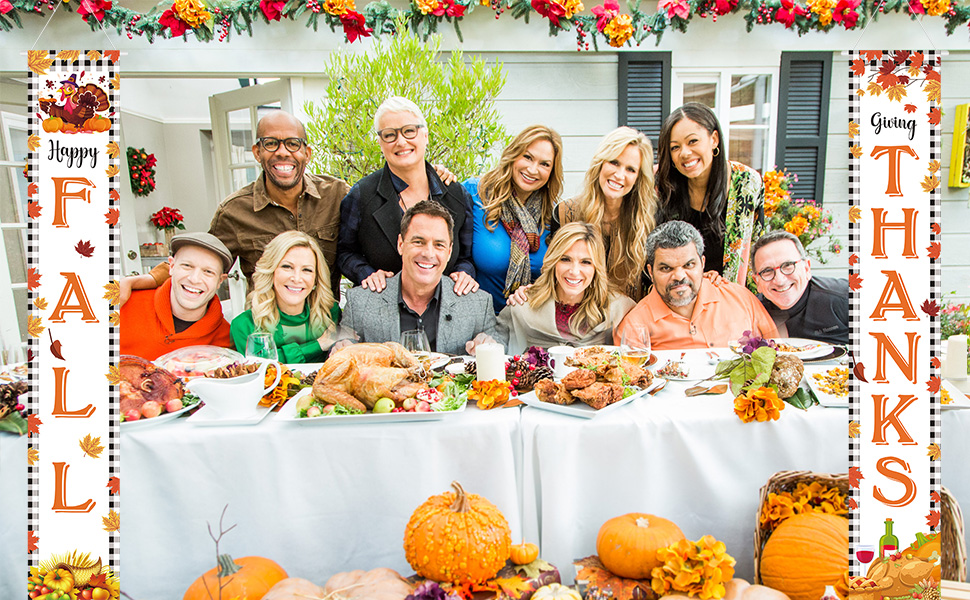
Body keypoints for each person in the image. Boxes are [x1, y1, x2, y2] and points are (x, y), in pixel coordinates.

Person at [120, 109, 348, 301]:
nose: (282, 152)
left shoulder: (337, 195)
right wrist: (143, 280)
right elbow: (200, 262)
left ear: (306, 154)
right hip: (264, 333)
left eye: (292, 144)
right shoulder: (234, 212)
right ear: (257, 153)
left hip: (327, 330)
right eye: (271, 144)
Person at [337, 96, 478, 296]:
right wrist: (366, 274)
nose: (401, 141)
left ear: (425, 135)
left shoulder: (456, 194)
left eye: (409, 131)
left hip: (445, 311)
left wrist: (464, 274)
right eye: (389, 135)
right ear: (380, 142)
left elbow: (467, 256)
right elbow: (344, 253)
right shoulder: (362, 195)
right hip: (382, 305)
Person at [340, 200, 498, 356]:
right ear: (401, 244)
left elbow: (497, 355)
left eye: (439, 245)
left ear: (449, 252)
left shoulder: (478, 305)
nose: (428, 253)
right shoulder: (360, 303)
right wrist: (341, 348)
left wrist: (489, 347)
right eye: (418, 242)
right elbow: (341, 354)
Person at [614, 221, 777, 350]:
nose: (679, 276)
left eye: (689, 265)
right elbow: (633, 385)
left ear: (702, 263)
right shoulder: (634, 326)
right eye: (666, 268)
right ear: (650, 272)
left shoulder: (740, 298)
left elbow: (779, 352)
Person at [655, 102, 764, 286]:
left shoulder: (746, 183)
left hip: (729, 299)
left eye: (693, 141)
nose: (685, 153)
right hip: (675, 296)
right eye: (675, 147)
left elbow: (757, 249)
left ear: (714, 139)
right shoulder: (660, 184)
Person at [546, 126, 658, 301]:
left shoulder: (648, 222)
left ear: (638, 178)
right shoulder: (564, 214)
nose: (619, 175)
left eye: (630, 169)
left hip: (627, 319)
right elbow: (549, 273)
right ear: (600, 163)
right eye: (614, 162)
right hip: (573, 319)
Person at [465, 125, 564, 312]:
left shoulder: (552, 218)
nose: (533, 169)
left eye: (544, 164)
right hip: (479, 321)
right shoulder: (475, 194)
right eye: (527, 157)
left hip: (528, 323)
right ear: (513, 154)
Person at [496, 223, 635, 355]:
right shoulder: (524, 302)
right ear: (554, 262)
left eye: (585, 262)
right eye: (565, 259)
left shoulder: (619, 307)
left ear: (596, 268)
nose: (574, 271)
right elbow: (495, 340)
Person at [230, 232, 343, 363]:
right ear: (271, 272)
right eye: (287, 267)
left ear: (316, 279)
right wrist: (318, 345)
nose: (296, 278)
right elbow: (261, 366)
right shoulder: (245, 325)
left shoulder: (330, 313)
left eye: (307, 270)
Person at [120, 232, 233, 360]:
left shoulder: (225, 340)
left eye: (208, 272)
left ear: (220, 281)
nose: (194, 279)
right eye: (187, 266)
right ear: (172, 266)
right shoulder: (124, 303)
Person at [750, 230, 849, 345]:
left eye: (787, 266)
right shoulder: (751, 312)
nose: (779, 280)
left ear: (807, 268)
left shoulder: (844, 298)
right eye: (767, 271)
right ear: (756, 282)